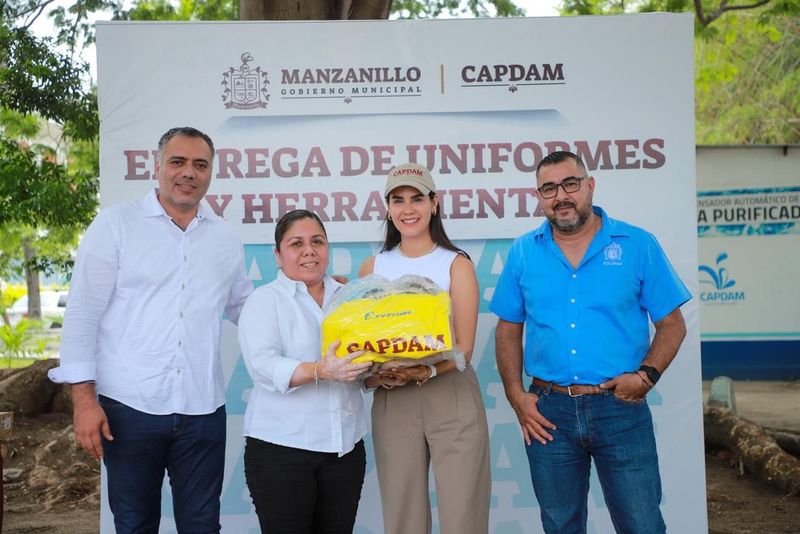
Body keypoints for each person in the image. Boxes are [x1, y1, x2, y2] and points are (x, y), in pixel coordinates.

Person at [48, 127, 253, 533]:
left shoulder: (225, 238)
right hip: (128, 408)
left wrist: (310, 301)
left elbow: (245, 308)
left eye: (200, 164)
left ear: (211, 172)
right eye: (178, 162)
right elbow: (83, 314)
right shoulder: (115, 225)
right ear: (156, 166)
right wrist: (84, 401)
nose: (188, 172)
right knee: (134, 524)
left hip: (202, 409)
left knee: (202, 525)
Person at [491, 150, 691, 533]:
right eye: (549, 188)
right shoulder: (523, 252)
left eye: (570, 184)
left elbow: (672, 324)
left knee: (642, 525)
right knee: (560, 526)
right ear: (538, 196)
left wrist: (646, 376)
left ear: (590, 185)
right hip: (548, 414)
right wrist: (517, 396)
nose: (561, 196)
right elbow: (508, 329)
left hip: (620, 409)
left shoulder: (636, 244)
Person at [359, 163, 491, 534]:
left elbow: (464, 347)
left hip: (450, 390)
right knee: (403, 517)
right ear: (387, 209)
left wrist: (428, 369)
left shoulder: (456, 264)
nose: (408, 209)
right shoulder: (372, 267)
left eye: (417, 198)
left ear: (434, 203)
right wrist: (377, 375)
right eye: (398, 200)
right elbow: (362, 339)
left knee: (464, 516)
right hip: (394, 395)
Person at [238, 209, 373, 534]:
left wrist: (382, 371)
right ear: (278, 255)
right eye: (296, 243)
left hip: (345, 450)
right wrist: (320, 370)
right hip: (281, 452)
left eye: (317, 241)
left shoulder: (351, 298)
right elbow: (263, 366)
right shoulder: (264, 301)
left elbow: (364, 358)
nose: (309, 251)